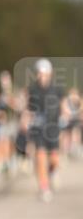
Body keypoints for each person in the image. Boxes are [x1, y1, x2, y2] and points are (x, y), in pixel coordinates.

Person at [26, 59, 66, 202]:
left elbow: (63, 105)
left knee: (54, 159)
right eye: (40, 73)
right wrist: (26, 124)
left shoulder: (57, 89)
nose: (42, 76)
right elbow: (29, 109)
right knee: (41, 157)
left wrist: (65, 117)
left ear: (50, 74)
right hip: (38, 128)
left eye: (45, 73)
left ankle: (53, 172)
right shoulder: (33, 89)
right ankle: (44, 187)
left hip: (53, 127)